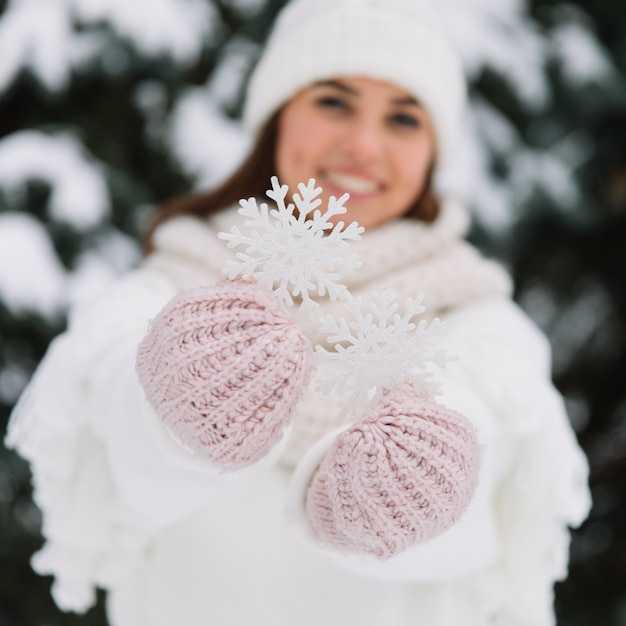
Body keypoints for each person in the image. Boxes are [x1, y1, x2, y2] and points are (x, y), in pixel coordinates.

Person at [6, 0, 591, 624]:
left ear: (432, 150)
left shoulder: (474, 318)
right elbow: (120, 427)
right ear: (277, 119)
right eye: (334, 102)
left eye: (403, 118)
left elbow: (490, 445)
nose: (364, 145)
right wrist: (186, 408)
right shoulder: (172, 287)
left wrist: (417, 469)